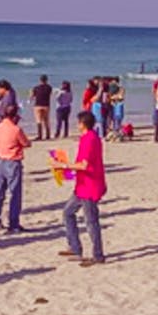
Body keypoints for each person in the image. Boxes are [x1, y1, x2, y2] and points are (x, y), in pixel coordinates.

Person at [58, 111, 106, 265]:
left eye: (78, 122)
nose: (77, 124)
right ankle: (75, 247)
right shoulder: (87, 138)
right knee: (67, 213)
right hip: (82, 185)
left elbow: (84, 165)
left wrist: (64, 165)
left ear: (82, 124)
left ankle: (98, 255)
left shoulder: (90, 139)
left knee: (91, 221)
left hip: (90, 186)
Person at [0, 105, 31, 233]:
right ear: (15, 116)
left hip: (1, 160)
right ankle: (13, 223)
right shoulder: (16, 129)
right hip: (13, 162)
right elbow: (26, 143)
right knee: (14, 193)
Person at [32, 75, 53, 141]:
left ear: (40, 80)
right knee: (46, 120)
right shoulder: (49, 87)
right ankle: (47, 135)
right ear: (46, 80)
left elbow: (32, 96)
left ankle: (40, 135)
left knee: (39, 121)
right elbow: (50, 94)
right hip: (46, 105)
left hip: (38, 105)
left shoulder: (36, 88)